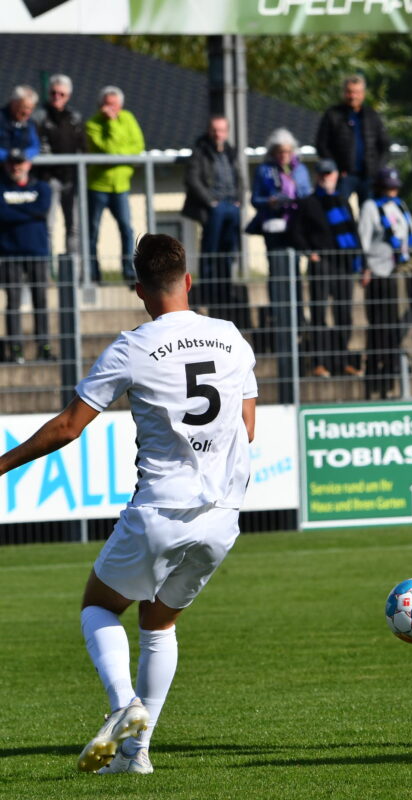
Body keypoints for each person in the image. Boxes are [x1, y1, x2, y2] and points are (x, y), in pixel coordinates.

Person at [0, 233, 257, 775]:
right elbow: (247, 427)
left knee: (98, 605)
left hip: (161, 508)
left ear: (139, 289)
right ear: (188, 281)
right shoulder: (231, 338)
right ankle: (136, 755)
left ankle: (123, 705)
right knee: (159, 623)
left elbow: (68, 427)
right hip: (223, 515)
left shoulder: (132, 346)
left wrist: (1, 465)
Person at [246, 127, 312, 393]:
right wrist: (271, 200)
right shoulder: (264, 171)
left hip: (294, 226)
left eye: (287, 151)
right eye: (279, 151)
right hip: (273, 225)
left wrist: (295, 197)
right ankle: (277, 311)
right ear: (273, 152)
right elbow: (255, 198)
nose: (284, 155)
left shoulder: (300, 170)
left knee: (294, 271)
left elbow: (306, 195)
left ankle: (297, 312)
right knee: (276, 271)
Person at [288, 158, 362, 379]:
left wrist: (359, 261)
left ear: (336, 175)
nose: (325, 178)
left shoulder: (343, 201)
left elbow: (353, 232)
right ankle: (319, 362)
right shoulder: (308, 202)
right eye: (322, 174)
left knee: (343, 314)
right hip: (321, 265)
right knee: (319, 313)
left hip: (342, 264)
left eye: (329, 174)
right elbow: (296, 232)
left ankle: (342, 361)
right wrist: (309, 252)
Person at [357, 165, 412, 399]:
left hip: (397, 272)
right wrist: (365, 267)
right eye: (388, 187)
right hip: (378, 273)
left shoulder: (400, 206)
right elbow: (363, 239)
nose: (392, 191)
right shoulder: (370, 207)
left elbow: (410, 233)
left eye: (395, 187)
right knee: (379, 327)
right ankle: (375, 380)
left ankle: (391, 378)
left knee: (395, 327)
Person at [183, 116, 242, 317]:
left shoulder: (231, 152)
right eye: (215, 130)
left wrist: (239, 199)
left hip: (232, 205)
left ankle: (226, 291)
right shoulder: (200, 151)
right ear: (209, 130)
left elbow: (239, 178)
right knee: (210, 251)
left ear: (227, 132)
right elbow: (192, 179)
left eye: (222, 130)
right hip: (213, 208)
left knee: (228, 251)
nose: (218, 134)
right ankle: (208, 293)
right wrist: (210, 202)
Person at [86, 86, 144, 284]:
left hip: (121, 185)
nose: (111, 109)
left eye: (114, 105)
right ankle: (93, 273)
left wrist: (120, 151)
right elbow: (109, 150)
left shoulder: (128, 118)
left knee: (127, 229)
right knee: (93, 231)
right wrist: (111, 123)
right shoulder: (93, 124)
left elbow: (138, 146)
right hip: (98, 186)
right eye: (107, 105)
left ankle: (129, 271)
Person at [0, 151, 52, 363]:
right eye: (12, 163)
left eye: (20, 163)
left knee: (40, 300)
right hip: (9, 254)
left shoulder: (42, 187)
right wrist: (29, 212)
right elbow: (2, 213)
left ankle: (44, 347)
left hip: (37, 252)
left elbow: (43, 209)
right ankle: (15, 349)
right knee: (13, 301)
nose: (16, 167)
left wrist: (14, 211)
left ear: (28, 164)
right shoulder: (2, 187)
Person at [32, 74, 87, 255]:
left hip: (71, 178)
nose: (57, 97)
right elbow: (35, 146)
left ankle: (74, 268)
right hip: (49, 178)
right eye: (53, 93)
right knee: (47, 225)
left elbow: (83, 147)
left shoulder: (75, 118)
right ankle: (46, 269)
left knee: (74, 227)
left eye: (61, 94)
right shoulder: (39, 117)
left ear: (68, 96)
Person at [315, 75, 390, 207]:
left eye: (357, 92)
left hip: (368, 177)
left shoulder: (371, 115)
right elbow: (321, 144)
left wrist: (377, 170)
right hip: (343, 176)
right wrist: (335, 168)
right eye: (349, 92)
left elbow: (384, 145)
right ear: (344, 93)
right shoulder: (333, 115)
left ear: (363, 94)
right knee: (339, 209)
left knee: (369, 210)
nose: (353, 96)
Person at [0, 85, 41, 163]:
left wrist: (24, 155)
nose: (27, 112)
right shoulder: (2, 119)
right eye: (24, 107)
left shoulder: (30, 123)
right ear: (14, 103)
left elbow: (35, 146)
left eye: (31, 108)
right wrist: (8, 156)